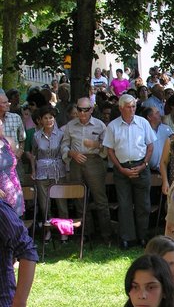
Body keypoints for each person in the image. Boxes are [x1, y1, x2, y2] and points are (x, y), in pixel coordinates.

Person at [103, 93, 157, 249]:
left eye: (134, 106)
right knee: (124, 204)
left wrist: (144, 164)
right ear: (121, 108)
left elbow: (150, 146)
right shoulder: (113, 126)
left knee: (144, 204)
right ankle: (127, 237)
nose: (132, 109)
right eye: (128, 107)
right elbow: (110, 150)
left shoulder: (143, 123)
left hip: (141, 166)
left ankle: (143, 236)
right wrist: (120, 168)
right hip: (122, 168)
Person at [60, 96, 112, 244]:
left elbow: (108, 148)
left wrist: (97, 145)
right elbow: (64, 145)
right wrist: (71, 153)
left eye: (86, 110)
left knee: (100, 199)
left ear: (91, 109)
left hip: (94, 161)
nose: (82, 113)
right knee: (79, 199)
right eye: (79, 109)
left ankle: (106, 235)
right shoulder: (70, 126)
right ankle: (86, 234)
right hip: (76, 162)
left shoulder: (100, 125)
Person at [31, 106, 69, 238]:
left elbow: (64, 152)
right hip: (42, 172)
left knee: (61, 202)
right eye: (45, 118)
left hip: (58, 170)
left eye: (51, 117)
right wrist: (33, 170)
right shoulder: (36, 136)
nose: (48, 120)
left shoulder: (61, 135)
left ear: (54, 118)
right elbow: (33, 155)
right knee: (44, 203)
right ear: (41, 120)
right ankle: (48, 230)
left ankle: (64, 231)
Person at [0, 118, 24, 216]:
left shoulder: (9, 141)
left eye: (1, 125)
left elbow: (13, 163)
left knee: (15, 222)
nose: (1, 127)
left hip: (14, 189)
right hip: (1, 193)